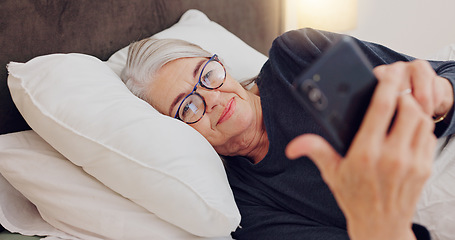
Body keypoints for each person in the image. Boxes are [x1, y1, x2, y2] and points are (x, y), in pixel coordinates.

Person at [121, 28, 455, 240]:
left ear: (220, 63)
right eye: (188, 107)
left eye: (206, 74)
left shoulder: (295, 58)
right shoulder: (245, 205)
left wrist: (439, 96)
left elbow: (447, 72)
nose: (211, 97)